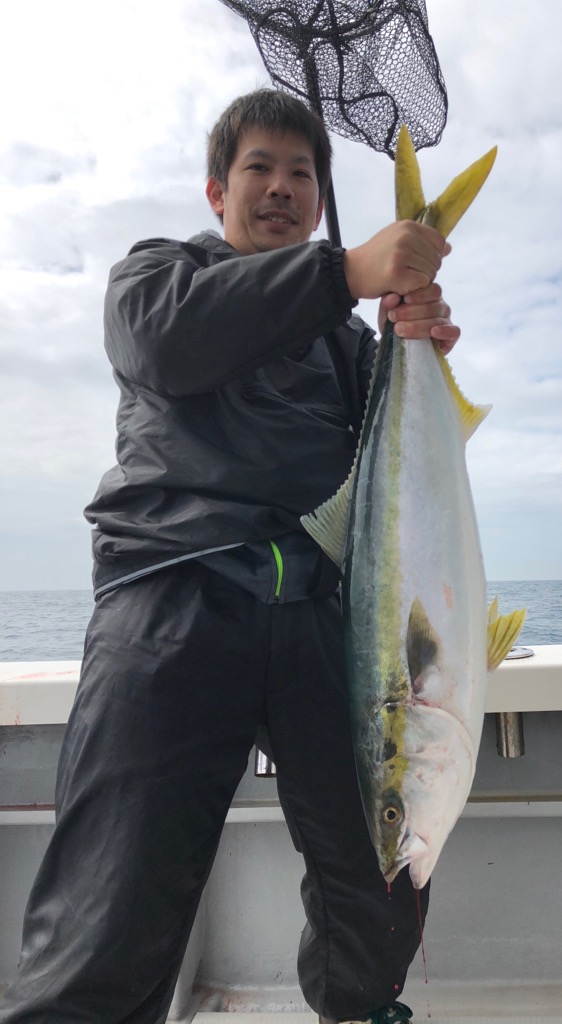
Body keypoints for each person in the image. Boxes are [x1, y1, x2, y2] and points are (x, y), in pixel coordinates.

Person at [0, 89, 460, 1024]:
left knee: (380, 875)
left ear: (320, 205)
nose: (281, 186)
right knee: (113, 897)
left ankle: (362, 1008)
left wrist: (416, 341)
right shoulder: (155, 277)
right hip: (171, 599)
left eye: (302, 173)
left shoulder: (346, 342)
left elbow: (407, 475)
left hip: (324, 620)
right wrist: (347, 273)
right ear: (218, 191)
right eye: (260, 167)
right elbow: (170, 345)